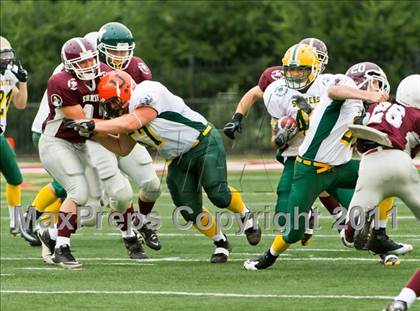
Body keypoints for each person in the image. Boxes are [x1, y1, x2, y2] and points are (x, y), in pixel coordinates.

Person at [66, 70, 262, 263]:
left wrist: (93, 124)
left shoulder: (146, 92)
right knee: (187, 208)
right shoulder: (124, 117)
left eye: (114, 101)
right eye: (108, 104)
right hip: (177, 159)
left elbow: (133, 122)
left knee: (218, 194)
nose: (112, 107)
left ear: (126, 91)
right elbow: (121, 148)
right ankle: (221, 242)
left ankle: (246, 216)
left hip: (203, 143)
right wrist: (93, 135)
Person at [243, 52, 392, 270]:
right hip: (310, 170)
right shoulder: (334, 88)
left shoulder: (359, 104)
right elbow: (334, 91)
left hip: (339, 167)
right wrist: (367, 96)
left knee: (386, 178)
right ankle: (268, 257)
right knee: (292, 230)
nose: (379, 89)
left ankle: (378, 239)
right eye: (375, 84)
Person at [37, 38, 144, 268]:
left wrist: (124, 121)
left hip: (86, 142)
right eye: (82, 63)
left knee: (93, 207)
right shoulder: (61, 82)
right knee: (78, 192)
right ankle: (61, 249)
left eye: (90, 61)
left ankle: (52, 234)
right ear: (69, 65)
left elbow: (111, 136)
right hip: (57, 142)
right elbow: (83, 121)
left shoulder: (105, 73)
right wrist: (118, 125)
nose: (88, 66)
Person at [343, 74, 420, 256]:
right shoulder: (415, 115)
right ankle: (377, 232)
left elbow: (359, 126)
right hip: (399, 162)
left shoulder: (376, 106)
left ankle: (360, 224)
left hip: (369, 164)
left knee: (347, 237)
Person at [0, 36, 33, 242]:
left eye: (8, 53)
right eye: (3, 54)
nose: (7, 58)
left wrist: (23, 82)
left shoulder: (9, 75)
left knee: (15, 178)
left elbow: (20, 104)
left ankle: (15, 222)